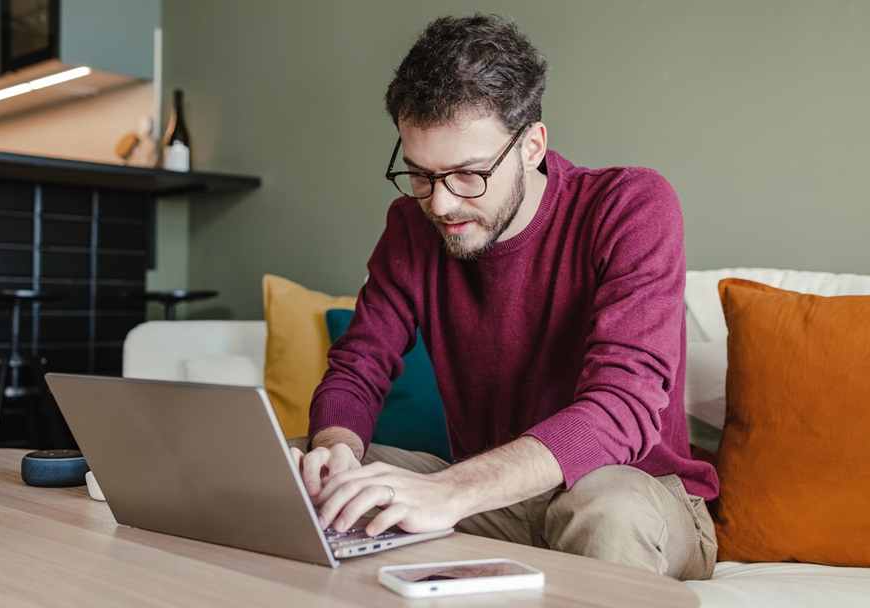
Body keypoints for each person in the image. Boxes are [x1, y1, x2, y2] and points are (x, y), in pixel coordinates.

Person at [288, 13, 719, 581]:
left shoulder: (632, 206)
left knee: (601, 508)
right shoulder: (412, 228)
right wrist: (336, 449)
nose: (440, 204)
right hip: (495, 500)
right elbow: (359, 363)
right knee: (292, 472)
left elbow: (623, 408)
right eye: (420, 175)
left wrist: (448, 491)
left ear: (532, 145)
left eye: (468, 175)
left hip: (639, 493)